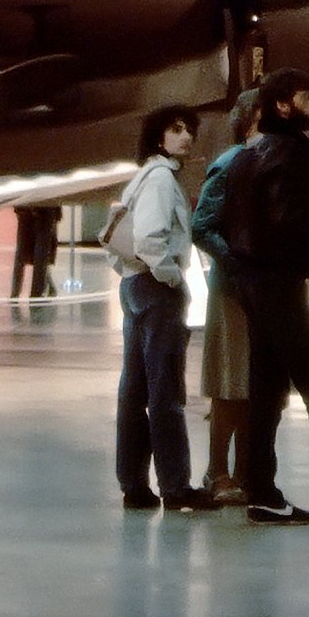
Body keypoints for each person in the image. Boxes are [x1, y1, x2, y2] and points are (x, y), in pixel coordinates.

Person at [108, 106, 219, 512]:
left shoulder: (143, 177)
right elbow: (150, 239)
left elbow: (120, 237)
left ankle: (134, 485)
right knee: (165, 390)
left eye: (189, 130)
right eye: (176, 129)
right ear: (159, 137)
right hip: (155, 289)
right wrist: (172, 277)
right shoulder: (160, 180)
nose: (186, 136)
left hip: (133, 284)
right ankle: (175, 486)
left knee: (134, 391)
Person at [222, 68, 309, 525]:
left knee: (266, 389)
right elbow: (291, 221)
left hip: (252, 283)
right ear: (283, 105)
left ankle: (261, 492)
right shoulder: (291, 153)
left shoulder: (247, 155)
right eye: (306, 97)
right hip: (279, 282)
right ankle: (260, 490)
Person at [191, 88, 259, 505]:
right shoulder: (231, 163)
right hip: (234, 290)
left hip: (262, 289)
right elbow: (202, 226)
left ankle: (244, 471)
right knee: (230, 381)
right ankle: (218, 471)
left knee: (254, 384)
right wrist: (238, 260)